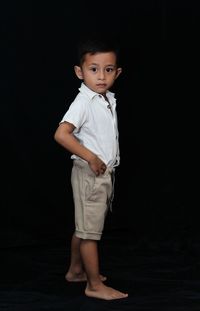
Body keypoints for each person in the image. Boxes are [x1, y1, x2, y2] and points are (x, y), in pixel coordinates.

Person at [54, 36, 128, 300]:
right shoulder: (84, 102)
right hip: (90, 174)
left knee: (85, 226)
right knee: (89, 234)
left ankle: (76, 271)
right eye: (93, 69)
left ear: (117, 72)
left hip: (102, 174)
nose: (101, 76)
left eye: (108, 70)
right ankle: (94, 285)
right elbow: (62, 135)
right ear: (79, 71)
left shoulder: (104, 97)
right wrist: (92, 158)